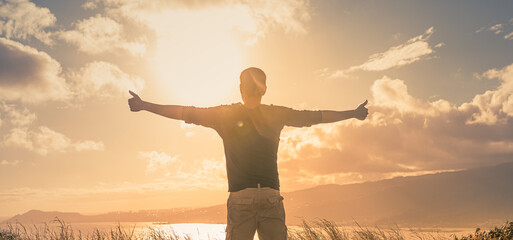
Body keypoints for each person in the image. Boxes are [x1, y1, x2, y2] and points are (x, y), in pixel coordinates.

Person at [128, 67, 368, 240]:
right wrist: (353, 113)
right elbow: (316, 117)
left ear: (241, 89)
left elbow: (184, 112)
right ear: (264, 90)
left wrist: (144, 105)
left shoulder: (225, 115)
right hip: (271, 197)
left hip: (241, 197)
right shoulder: (277, 114)